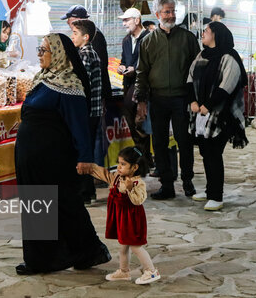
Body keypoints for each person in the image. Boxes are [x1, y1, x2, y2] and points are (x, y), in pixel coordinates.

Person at [14, 33, 111, 275]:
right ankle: (66, 254)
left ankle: (58, 257)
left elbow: (80, 125)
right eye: (40, 49)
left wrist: (85, 157)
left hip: (53, 158)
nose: (39, 54)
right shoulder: (44, 79)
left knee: (64, 204)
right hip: (34, 158)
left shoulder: (69, 85)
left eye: (44, 50)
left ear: (59, 54)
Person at [134, 0, 201, 200]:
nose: (171, 15)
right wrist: (141, 100)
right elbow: (141, 72)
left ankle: (188, 181)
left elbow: (197, 69)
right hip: (159, 99)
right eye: (167, 12)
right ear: (157, 14)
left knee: (184, 141)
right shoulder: (148, 41)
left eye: (173, 11)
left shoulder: (188, 38)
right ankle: (167, 185)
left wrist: (196, 98)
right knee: (160, 143)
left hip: (181, 99)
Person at [187, 22, 248, 211]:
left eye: (206, 31)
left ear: (215, 35)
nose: (202, 34)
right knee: (206, 152)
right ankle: (209, 189)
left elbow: (226, 86)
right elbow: (190, 79)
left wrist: (208, 105)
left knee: (214, 153)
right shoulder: (201, 55)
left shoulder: (228, 57)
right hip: (201, 113)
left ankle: (216, 196)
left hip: (222, 115)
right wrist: (193, 102)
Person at [82, 146, 161, 285]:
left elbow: (139, 200)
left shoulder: (138, 183)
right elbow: (105, 174)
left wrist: (130, 189)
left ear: (135, 167)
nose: (119, 167)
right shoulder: (118, 178)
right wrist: (91, 168)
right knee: (123, 246)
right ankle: (124, 271)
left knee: (136, 246)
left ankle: (151, 271)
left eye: (123, 164)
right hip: (122, 219)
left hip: (133, 220)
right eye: (118, 163)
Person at [70, 19, 102, 204]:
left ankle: (84, 192)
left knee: (83, 151)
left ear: (85, 37)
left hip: (88, 111)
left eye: (75, 33)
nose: (72, 36)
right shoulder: (89, 53)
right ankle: (88, 190)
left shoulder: (85, 54)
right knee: (86, 150)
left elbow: (82, 85)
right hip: (93, 111)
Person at [118, 8, 151, 166]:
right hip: (128, 85)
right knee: (134, 125)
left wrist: (135, 69)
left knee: (141, 124)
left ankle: (145, 160)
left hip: (143, 87)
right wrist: (122, 66)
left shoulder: (149, 38)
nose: (124, 23)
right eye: (123, 20)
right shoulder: (125, 40)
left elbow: (151, 63)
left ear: (137, 20)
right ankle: (144, 159)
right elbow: (124, 60)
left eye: (127, 20)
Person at [62, 5, 112, 100]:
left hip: (96, 92)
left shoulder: (95, 36)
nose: (67, 22)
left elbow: (100, 66)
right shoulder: (81, 37)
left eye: (70, 20)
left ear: (80, 19)